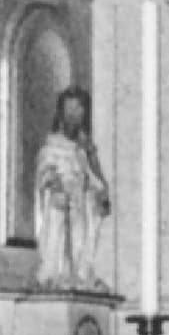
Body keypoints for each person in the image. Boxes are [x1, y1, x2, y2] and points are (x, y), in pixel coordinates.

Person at [26, 88, 112, 293]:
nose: (74, 116)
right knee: (58, 240)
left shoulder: (82, 149)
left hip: (80, 205)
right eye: (70, 110)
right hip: (59, 206)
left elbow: (92, 178)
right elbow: (44, 171)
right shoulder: (52, 145)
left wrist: (99, 193)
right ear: (61, 114)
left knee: (81, 240)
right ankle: (54, 275)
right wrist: (54, 184)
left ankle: (81, 274)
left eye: (79, 111)